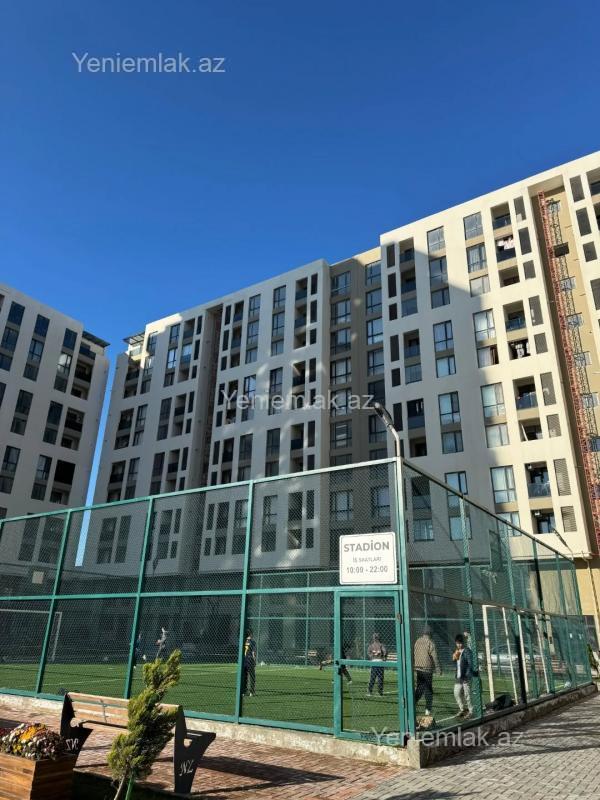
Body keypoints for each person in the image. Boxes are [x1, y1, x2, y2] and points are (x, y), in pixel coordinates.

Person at [414, 624, 442, 716]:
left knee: (419, 687)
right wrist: (438, 668)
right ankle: (428, 709)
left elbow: (414, 652)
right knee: (428, 689)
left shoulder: (417, 641)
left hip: (418, 668)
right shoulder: (430, 642)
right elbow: (435, 657)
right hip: (427, 669)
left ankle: (413, 703)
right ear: (430, 633)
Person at [453, 633, 474, 719]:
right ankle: (462, 709)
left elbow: (470, 664)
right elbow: (456, 663)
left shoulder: (467, 651)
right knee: (456, 693)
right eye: (457, 643)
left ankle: (471, 711)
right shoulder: (457, 651)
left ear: (463, 643)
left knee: (467, 695)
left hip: (465, 677)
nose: (459, 645)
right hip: (459, 676)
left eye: (460, 643)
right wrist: (454, 658)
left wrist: (467, 676)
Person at [242, 630, 257, 696]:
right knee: (252, 677)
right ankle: (251, 692)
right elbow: (253, 652)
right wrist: (254, 661)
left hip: (244, 660)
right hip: (250, 660)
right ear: (251, 634)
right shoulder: (252, 642)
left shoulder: (244, 641)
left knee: (244, 677)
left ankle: (244, 691)